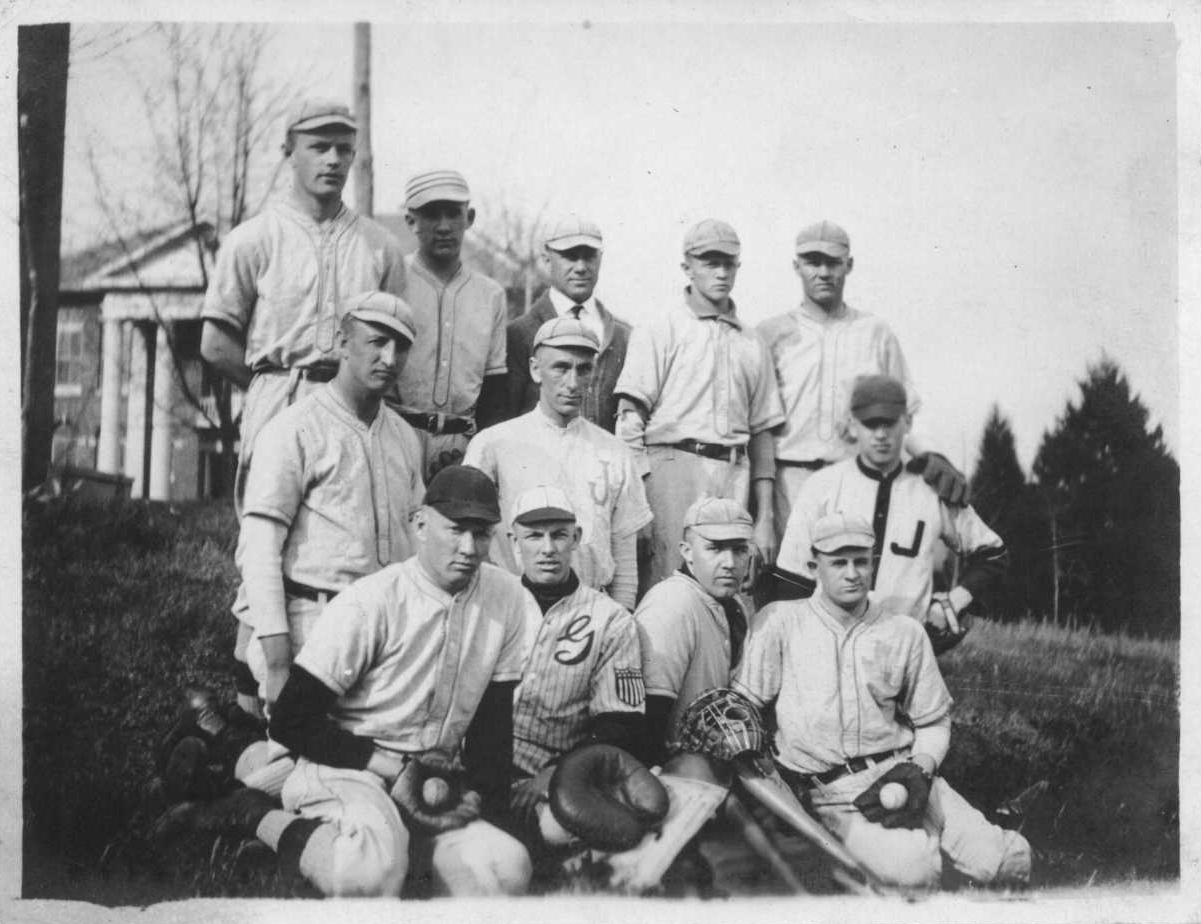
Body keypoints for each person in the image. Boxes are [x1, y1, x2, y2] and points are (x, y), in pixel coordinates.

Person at [155, 465, 536, 898]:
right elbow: (291, 721)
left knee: (507, 870)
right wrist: (387, 766)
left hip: (431, 776)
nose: (469, 547)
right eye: (456, 530)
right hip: (350, 767)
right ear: (421, 525)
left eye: (482, 533)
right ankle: (252, 814)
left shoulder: (505, 596)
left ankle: (393, 853)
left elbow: (492, 727)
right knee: (369, 875)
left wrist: (486, 812)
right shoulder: (373, 600)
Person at [200, 97, 407, 715]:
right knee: (269, 544)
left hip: (359, 400)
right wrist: (276, 390)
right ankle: (250, 702)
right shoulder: (255, 237)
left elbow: (397, 335)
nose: (334, 159)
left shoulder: (377, 244)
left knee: (353, 538)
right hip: (281, 390)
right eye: (318, 145)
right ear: (288, 151)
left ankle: (347, 690)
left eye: (344, 146)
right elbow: (215, 341)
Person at [733, 512, 1031, 889]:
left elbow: (933, 720)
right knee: (915, 871)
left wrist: (923, 766)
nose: (852, 572)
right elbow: (743, 707)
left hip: (908, 774)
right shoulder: (778, 622)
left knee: (1007, 861)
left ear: (874, 564)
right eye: (838, 562)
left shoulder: (902, 630)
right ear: (814, 566)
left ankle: (967, 844)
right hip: (835, 793)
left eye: (861, 561)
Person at [238, 291, 425, 711]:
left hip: (387, 632)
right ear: (343, 343)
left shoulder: (403, 437)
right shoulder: (293, 429)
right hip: (312, 622)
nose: (390, 358)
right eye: (377, 341)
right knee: (307, 766)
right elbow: (259, 552)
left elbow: (418, 544)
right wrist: (278, 661)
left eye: (402, 346)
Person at [756, 220, 966, 548]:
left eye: (833, 262)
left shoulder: (874, 332)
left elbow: (902, 410)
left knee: (852, 581)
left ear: (849, 265)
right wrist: (764, 513)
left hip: (853, 476)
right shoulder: (770, 334)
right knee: (791, 583)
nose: (823, 272)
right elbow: (760, 425)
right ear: (796, 266)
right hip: (789, 480)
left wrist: (930, 454)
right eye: (813, 262)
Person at [775, 375, 1006, 650]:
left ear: (907, 422)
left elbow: (994, 555)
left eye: (890, 422)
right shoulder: (822, 486)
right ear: (852, 425)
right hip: (829, 644)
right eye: (870, 424)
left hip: (906, 646)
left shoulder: (931, 490)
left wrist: (953, 602)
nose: (881, 434)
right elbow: (791, 577)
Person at [614, 219, 784, 590]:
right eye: (710, 262)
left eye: (728, 263)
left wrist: (766, 516)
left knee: (730, 589)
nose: (720, 272)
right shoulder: (662, 327)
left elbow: (763, 434)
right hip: (673, 469)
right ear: (687, 266)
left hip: (733, 472)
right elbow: (630, 418)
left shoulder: (751, 341)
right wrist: (635, 502)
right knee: (669, 583)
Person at [465, 317, 651, 611]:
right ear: (536, 370)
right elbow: (473, 541)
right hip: (513, 607)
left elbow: (625, 559)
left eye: (584, 369)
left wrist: (619, 619)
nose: (573, 383)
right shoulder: (493, 444)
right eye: (561, 368)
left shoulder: (615, 451)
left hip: (591, 609)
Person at [504, 485, 647, 840]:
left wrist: (555, 775)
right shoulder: (493, 600)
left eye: (559, 535)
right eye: (534, 536)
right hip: (481, 759)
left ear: (577, 538)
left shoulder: (610, 619)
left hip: (553, 770)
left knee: (557, 832)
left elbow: (620, 723)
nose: (548, 549)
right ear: (513, 541)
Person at [394, 169, 508, 479]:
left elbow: (494, 389)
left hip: (464, 443)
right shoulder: (391, 279)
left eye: (453, 214)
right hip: (396, 434)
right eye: (431, 214)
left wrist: (478, 453)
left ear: (469, 217)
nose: (444, 226)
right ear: (410, 221)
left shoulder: (490, 294)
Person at [634, 496, 755, 767]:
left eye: (739, 550)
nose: (730, 563)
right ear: (687, 552)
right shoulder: (672, 602)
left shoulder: (735, 605)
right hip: (670, 768)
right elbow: (649, 716)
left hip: (714, 763)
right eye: (715, 548)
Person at [504, 215, 631, 430]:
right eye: (570, 256)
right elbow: (501, 421)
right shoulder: (518, 334)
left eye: (589, 256)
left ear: (600, 258)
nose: (581, 267)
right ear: (546, 259)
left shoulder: (623, 336)